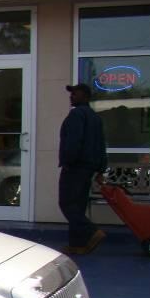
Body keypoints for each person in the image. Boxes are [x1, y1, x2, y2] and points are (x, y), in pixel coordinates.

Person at [59, 82, 108, 254]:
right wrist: (101, 169)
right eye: (71, 93)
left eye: (75, 93)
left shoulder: (77, 114)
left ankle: (92, 231)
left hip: (75, 167)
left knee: (66, 204)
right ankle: (77, 244)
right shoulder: (95, 117)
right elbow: (101, 145)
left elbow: (74, 141)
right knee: (78, 206)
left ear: (85, 97)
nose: (71, 96)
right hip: (88, 169)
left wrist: (68, 161)